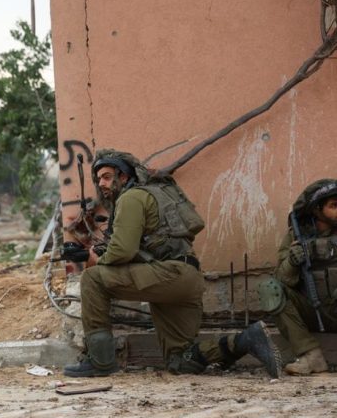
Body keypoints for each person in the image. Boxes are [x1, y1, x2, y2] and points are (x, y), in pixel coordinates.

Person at [64, 149, 282, 378]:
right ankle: (245, 340)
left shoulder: (131, 197)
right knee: (181, 360)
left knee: (92, 278)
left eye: (107, 177)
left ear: (124, 177)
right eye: (99, 179)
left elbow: (122, 251)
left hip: (168, 274)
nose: (102, 184)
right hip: (186, 278)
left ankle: (100, 362)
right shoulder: (153, 195)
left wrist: (97, 259)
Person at [257, 179, 337, 375]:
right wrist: (293, 262)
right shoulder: (297, 236)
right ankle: (311, 357)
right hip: (312, 309)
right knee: (270, 288)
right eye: (334, 206)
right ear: (317, 210)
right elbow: (283, 280)